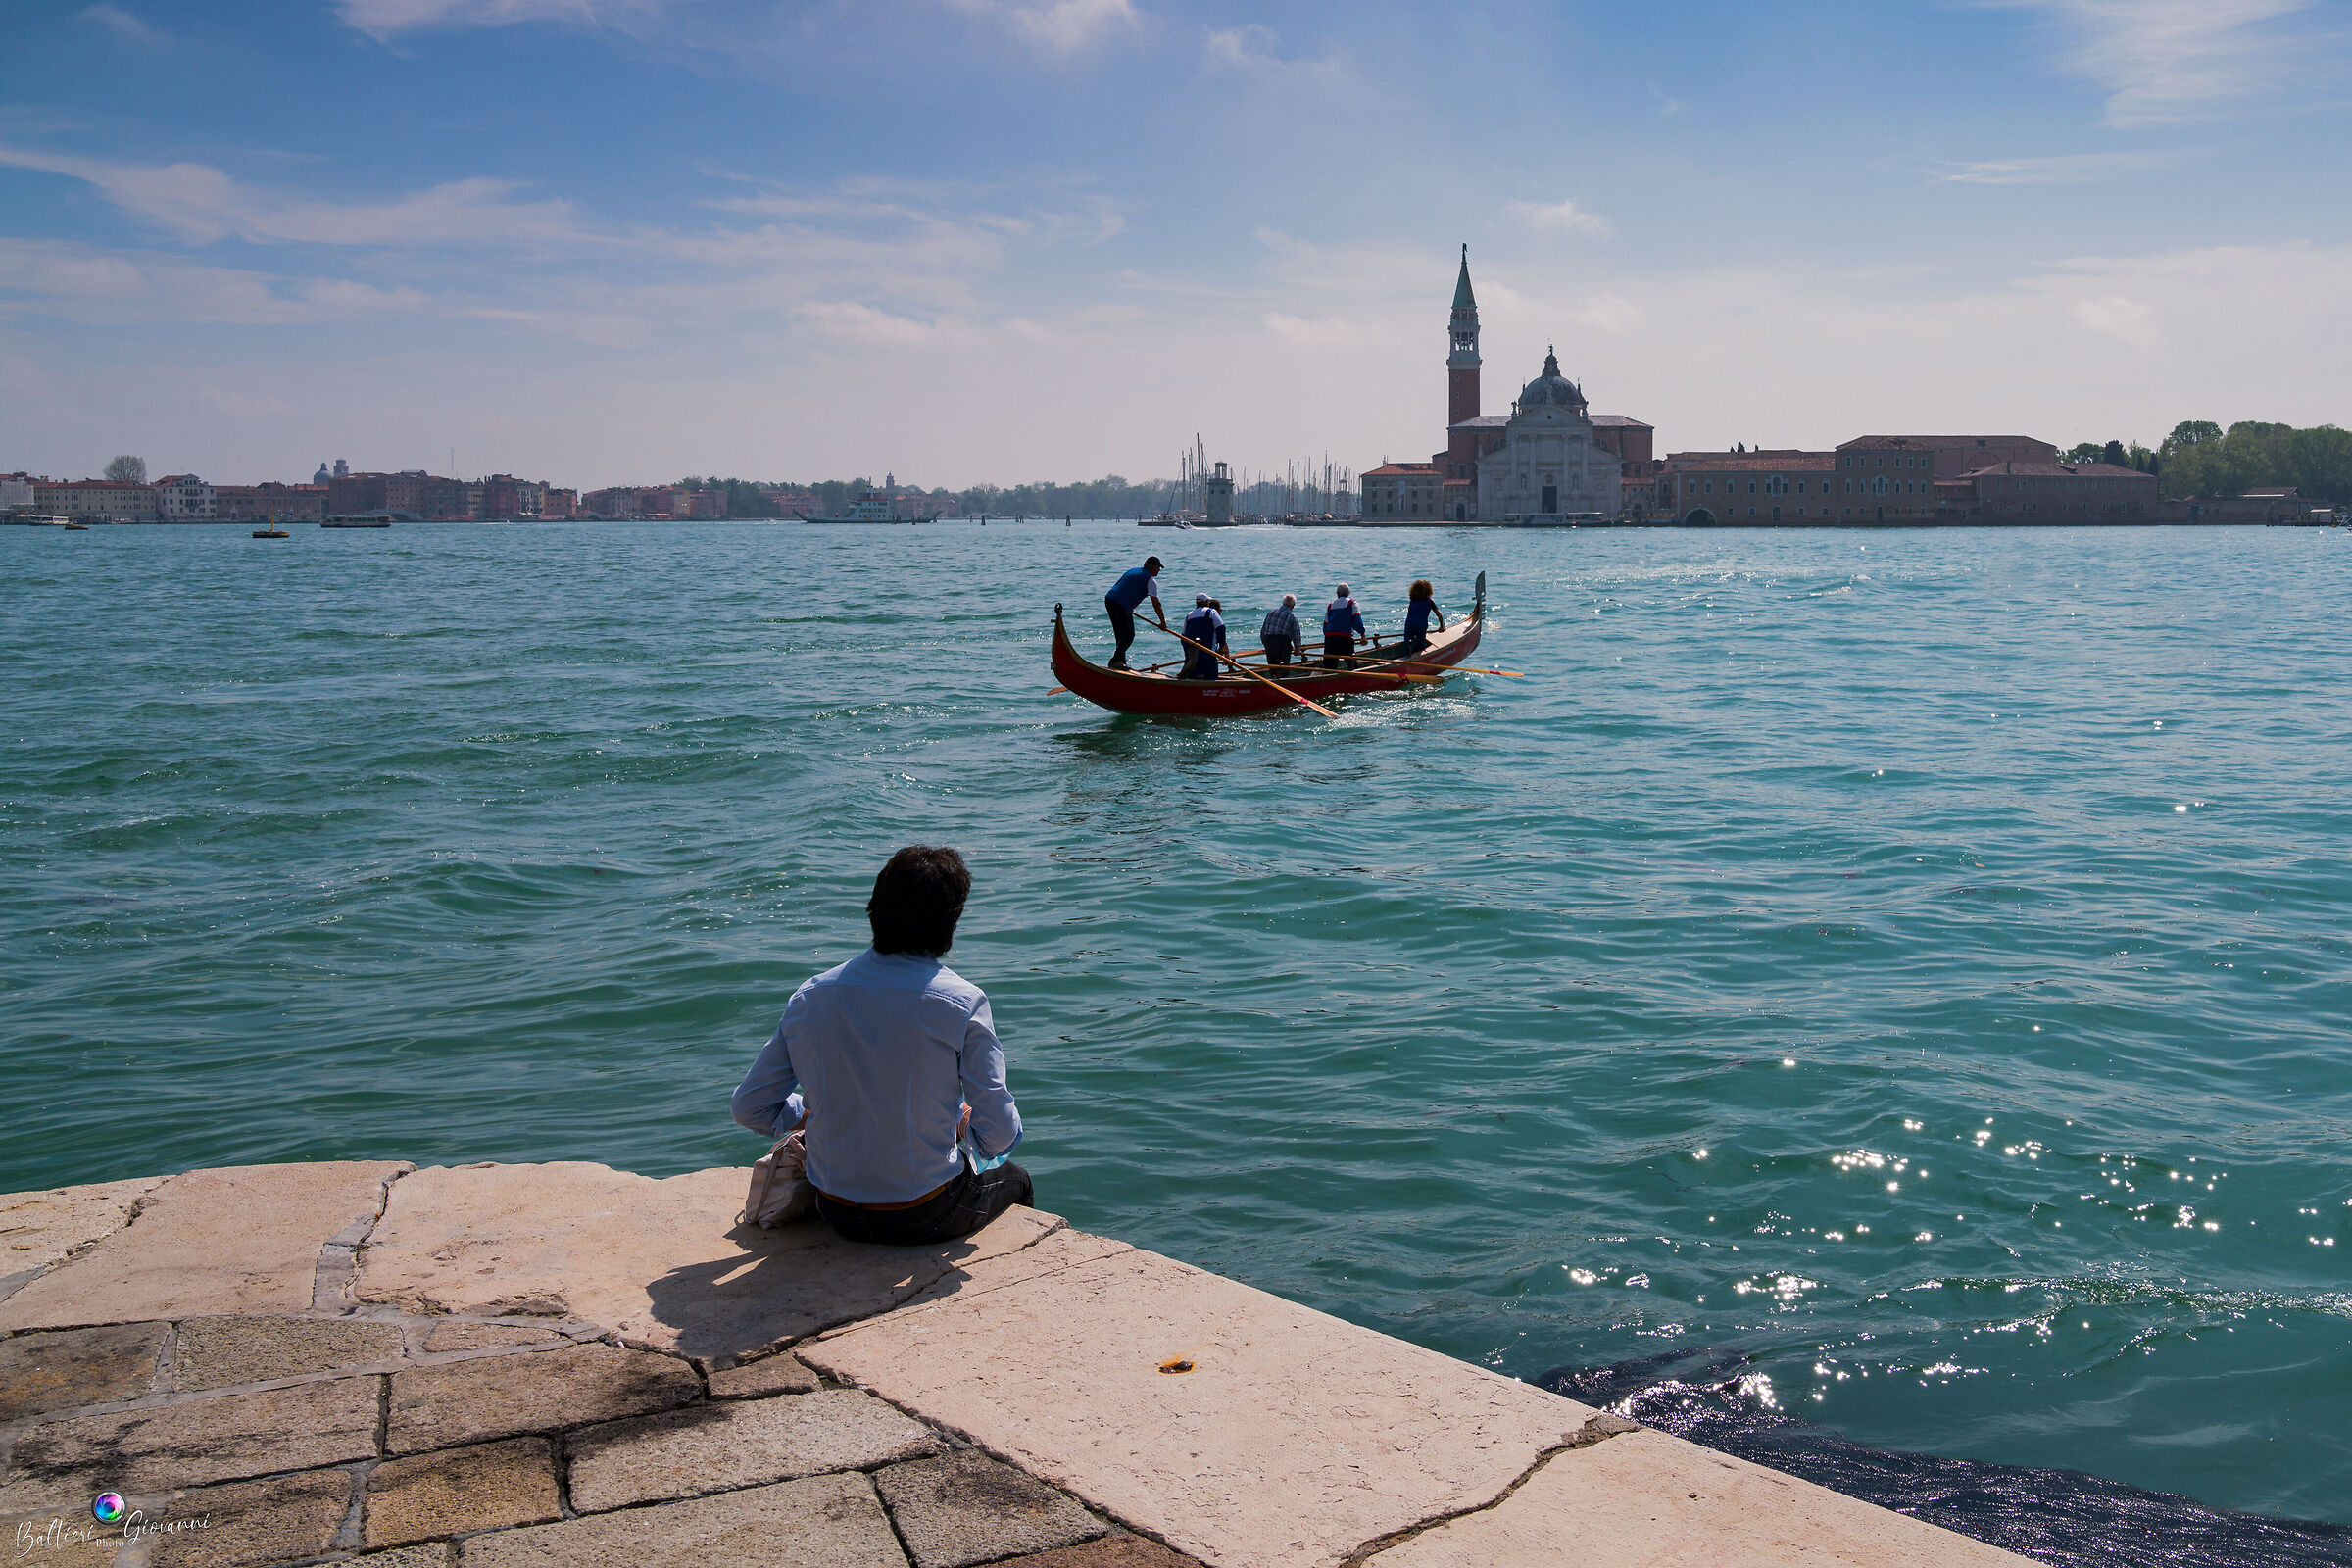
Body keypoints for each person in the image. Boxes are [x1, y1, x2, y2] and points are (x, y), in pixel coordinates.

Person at [731, 846, 1032, 1247]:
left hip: (836, 1210)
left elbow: (750, 1106)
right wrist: (959, 1122)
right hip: (924, 1214)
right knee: (1017, 1180)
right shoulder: (962, 1002)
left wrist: (814, 1113)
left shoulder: (812, 996)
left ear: (875, 909)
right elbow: (998, 1135)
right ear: (950, 924)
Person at [1103, 556, 1166, 670]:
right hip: (1121, 603)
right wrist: (1163, 623)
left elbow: (1126, 588)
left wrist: (1129, 609)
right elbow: (1156, 604)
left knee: (1120, 634)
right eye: (1158, 568)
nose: (1159, 571)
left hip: (1110, 599)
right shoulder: (1150, 580)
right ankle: (1115, 661)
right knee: (1129, 635)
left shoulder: (1132, 571)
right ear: (1152, 567)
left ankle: (1121, 661)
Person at [1179, 593, 1229, 679]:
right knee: (1211, 678)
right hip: (1209, 653)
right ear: (1205, 602)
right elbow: (1221, 628)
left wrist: (1187, 653)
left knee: (1192, 677)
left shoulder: (1189, 615)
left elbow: (1183, 637)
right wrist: (1221, 646)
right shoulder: (1211, 612)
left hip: (1192, 655)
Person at [1322, 583, 1366, 668]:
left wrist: (1328, 639)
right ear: (1349, 593)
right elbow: (1357, 621)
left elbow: (1325, 626)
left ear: (1338, 593)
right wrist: (1363, 636)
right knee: (1353, 665)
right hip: (1344, 638)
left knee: (1329, 667)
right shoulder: (1352, 603)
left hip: (1329, 638)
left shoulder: (1330, 605)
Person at [1400, 579, 1447, 656]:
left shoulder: (1412, 601)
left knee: (1408, 643)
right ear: (1428, 591)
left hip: (1409, 624)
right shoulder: (1429, 601)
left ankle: (1408, 653)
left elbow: (1409, 614)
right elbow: (1439, 615)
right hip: (1421, 625)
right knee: (1421, 645)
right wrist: (1441, 626)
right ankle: (1420, 655)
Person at [1259, 594, 1302, 665]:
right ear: (1293, 605)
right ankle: (1283, 669)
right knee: (1283, 667)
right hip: (1282, 645)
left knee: (1273, 667)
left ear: (1283, 603)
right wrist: (1297, 650)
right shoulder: (1292, 616)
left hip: (1268, 642)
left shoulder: (1271, 612)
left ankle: (1273, 672)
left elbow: (1263, 630)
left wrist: (1266, 645)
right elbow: (1296, 635)